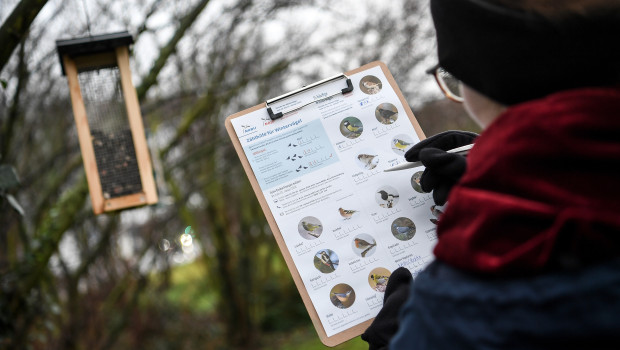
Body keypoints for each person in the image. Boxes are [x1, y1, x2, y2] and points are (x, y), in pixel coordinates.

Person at [362, 0, 620, 348]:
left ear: (488, 75)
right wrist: (515, 170)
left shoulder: (464, 302)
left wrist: (398, 339)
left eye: (453, 75)